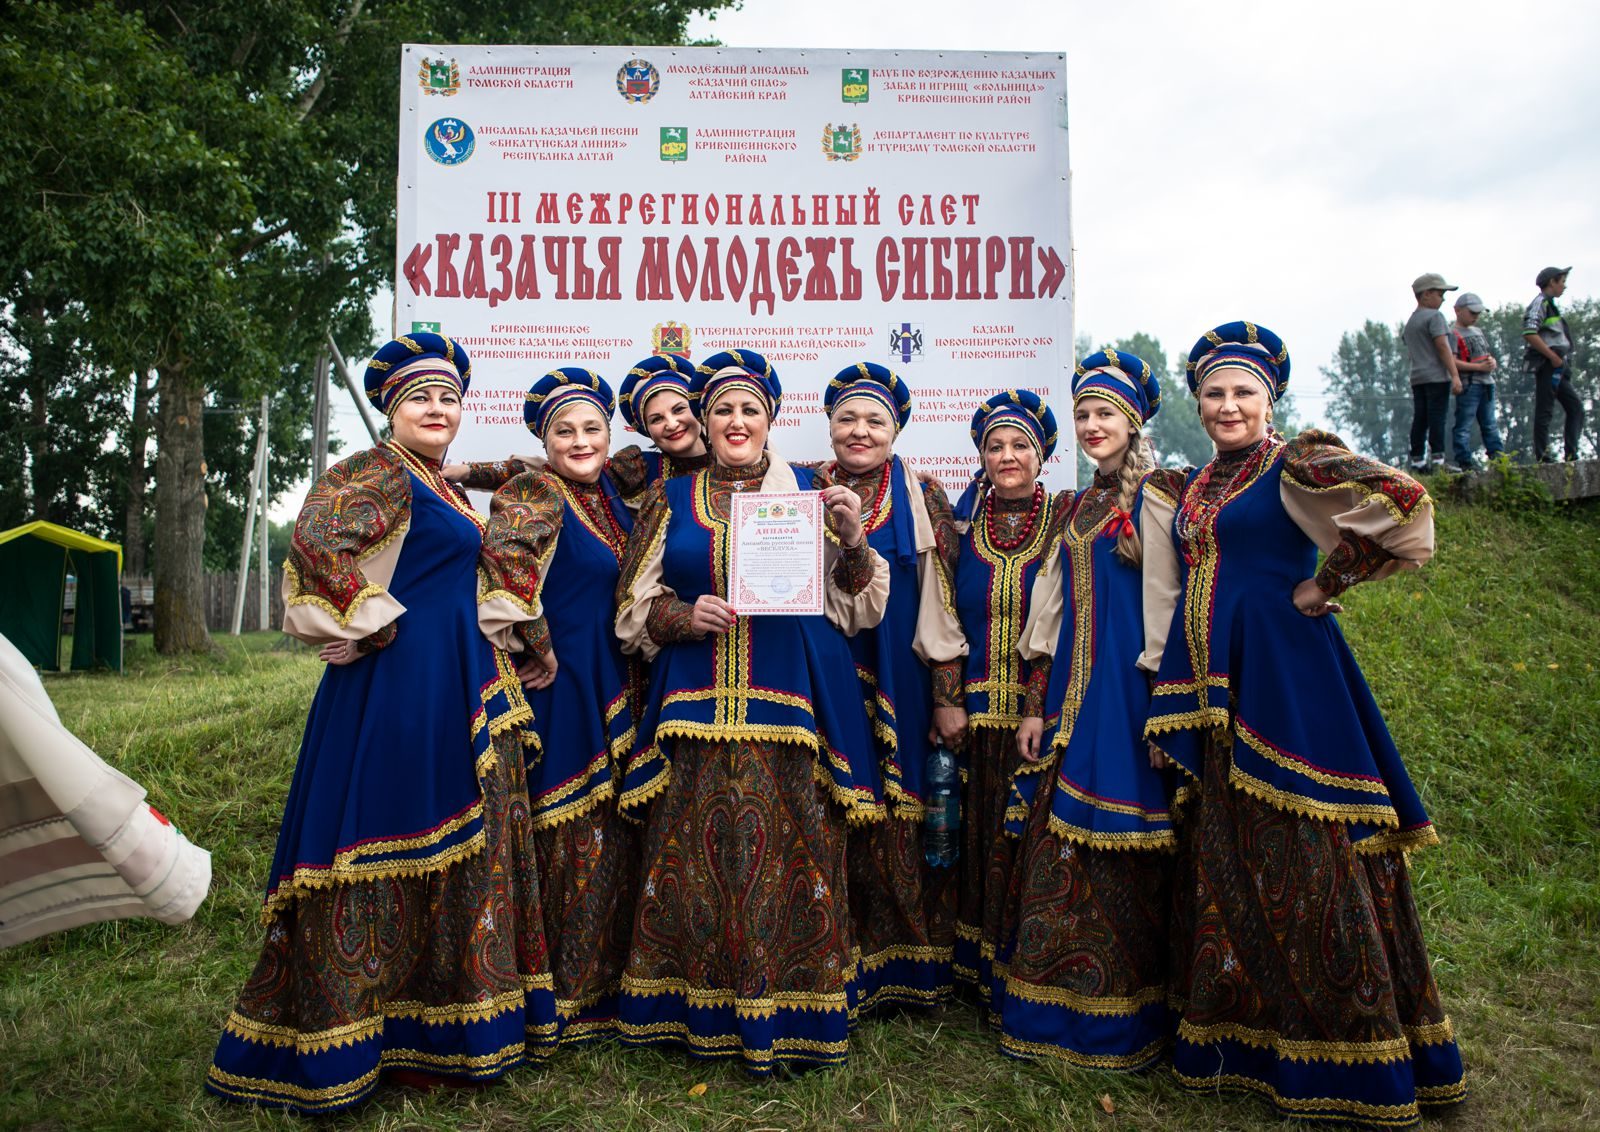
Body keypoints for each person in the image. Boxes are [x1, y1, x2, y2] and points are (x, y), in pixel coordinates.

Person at [207, 332, 556, 1112]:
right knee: (385, 836)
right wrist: (365, 624)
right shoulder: (379, 470)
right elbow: (318, 540)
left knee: (464, 850)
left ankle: (443, 1035)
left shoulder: (442, 484)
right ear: (391, 412)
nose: (437, 409)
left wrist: (470, 471)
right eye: (419, 398)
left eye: (449, 398)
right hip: (400, 686)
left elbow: (531, 481)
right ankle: (344, 1046)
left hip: (461, 683)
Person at [1145, 321, 1466, 1127]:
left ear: (1270, 398)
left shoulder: (1297, 460)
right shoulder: (1201, 483)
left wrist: (1331, 581)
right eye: (1214, 393)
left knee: (1310, 853)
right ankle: (1248, 1044)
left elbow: (1406, 504)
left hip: (1286, 683)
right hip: (1214, 693)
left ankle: (1358, 1064)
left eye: (1243, 393)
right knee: (1236, 856)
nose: (1227, 406)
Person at [612, 349, 889, 1074]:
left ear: (771, 419)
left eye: (750, 410)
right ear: (705, 423)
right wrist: (678, 612)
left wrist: (855, 539)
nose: (736, 422)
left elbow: (858, 606)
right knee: (695, 861)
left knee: (798, 853)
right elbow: (631, 608)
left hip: (795, 703)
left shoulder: (814, 492)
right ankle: (689, 1014)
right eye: (723, 410)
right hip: (695, 707)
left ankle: (800, 1013)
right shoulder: (670, 501)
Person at [995, 349, 1176, 1069]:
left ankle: (1124, 1023)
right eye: (1084, 415)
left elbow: (1170, 609)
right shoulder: (1077, 506)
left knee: (1121, 850)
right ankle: (1052, 1019)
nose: (1093, 425)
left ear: (1132, 423)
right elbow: (1048, 613)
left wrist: (1168, 709)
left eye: (1106, 414)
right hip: (1071, 698)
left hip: (1129, 699)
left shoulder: (1157, 495)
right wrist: (1036, 705)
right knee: (1057, 852)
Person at [476, 367, 640, 1046]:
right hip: (565, 686)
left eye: (591, 428)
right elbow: (505, 559)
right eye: (563, 431)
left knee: (611, 831)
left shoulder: (613, 491)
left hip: (617, 676)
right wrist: (537, 645)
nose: (579, 440)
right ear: (544, 442)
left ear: (610, 433)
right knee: (566, 831)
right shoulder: (537, 488)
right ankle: (560, 997)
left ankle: (604, 983)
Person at [818, 362, 967, 1014]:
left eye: (874, 420)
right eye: (847, 418)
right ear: (829, 427)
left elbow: (945, 600)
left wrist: (947, 693)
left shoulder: (925, 494)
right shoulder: (805, 487)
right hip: (828, 664)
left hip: (901, 665)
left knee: (899, 805)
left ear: (897, 429)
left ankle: (908, 971)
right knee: (840, 802)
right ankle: (840, 961)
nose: (859, 431)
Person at [949, 390, 1067, 1003]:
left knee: (1024, 840)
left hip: (1037, 716)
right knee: (971, 833)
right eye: (995, 446)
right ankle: (973, 971)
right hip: (973, 711)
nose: (1007, 455)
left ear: (1043, 453)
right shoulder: (961, 529)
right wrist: (948, 700)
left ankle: (1019, 973)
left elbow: (1060, 624)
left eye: (1020, 444)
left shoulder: (1067, 521)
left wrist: (1035, 706)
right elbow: (941, 614)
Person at [609, 352, 711, 503]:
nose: (671, 424)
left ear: (696, 410)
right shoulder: (636, 470)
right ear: (647, 429)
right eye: (657, 419)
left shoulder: (735, 461)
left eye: (679, 410)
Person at [1403, 272, 1464, 470]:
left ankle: (1418, 460)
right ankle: (1439, 460)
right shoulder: (1435, 317)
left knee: (1420, 418)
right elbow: (1442, 346)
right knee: (1438, 417)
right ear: (1426, 294)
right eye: (1440, 293)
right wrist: (1454, 374)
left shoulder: (1411, 322)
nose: (1443, 298)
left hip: (1417, 377)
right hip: (1436, 376)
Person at [1523, 266, 1584, 462]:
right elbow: (1530, 333)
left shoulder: (1551, 304)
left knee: (1576, 409)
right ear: (1552, 282)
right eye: (1562, 282)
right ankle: (1543, 457)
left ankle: (1572, 454)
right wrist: (1552, 356)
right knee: (1545, 410)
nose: (1564, 287)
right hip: (1548, 364)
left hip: (1559, 364)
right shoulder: (1539, 303)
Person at [1448, 293, 1503, 470]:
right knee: (1464, 424)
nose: (1476, 317)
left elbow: (1484, 354)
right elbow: (1452, 361)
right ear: (1458, 311)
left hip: (1487, 383)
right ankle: (1464, 460)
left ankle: (1498, 457)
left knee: (1490, 423)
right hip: (1470, 384)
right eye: (1472, 313)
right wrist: (1479, 368)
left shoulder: (1478, 331)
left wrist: (1491, 362)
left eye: (1478, 313)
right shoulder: (1453, 334)